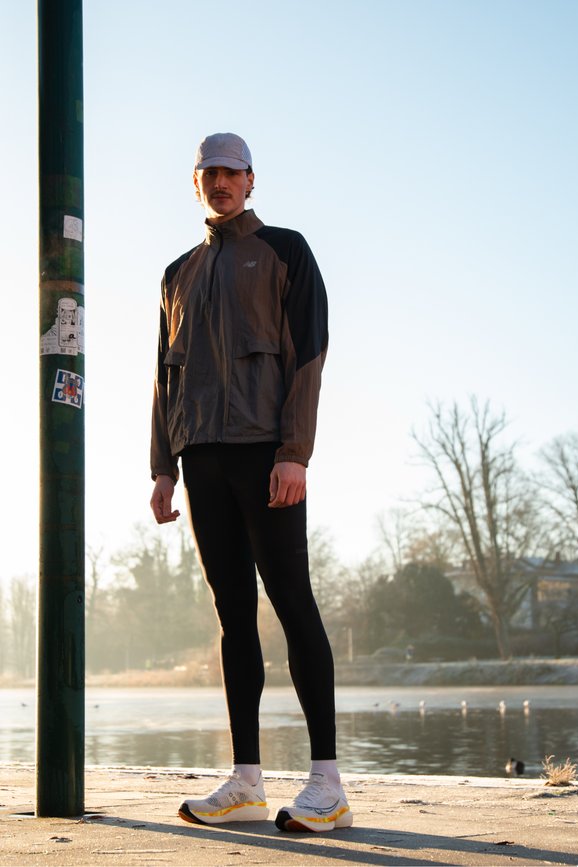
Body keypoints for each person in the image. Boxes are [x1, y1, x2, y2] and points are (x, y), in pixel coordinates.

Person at [150, 132, 352, 833]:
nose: (221, 182)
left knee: (292, 600)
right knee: (233, 615)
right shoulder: (177, 273)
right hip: (200, 458)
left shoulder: (285, 250)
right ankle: (246, 781)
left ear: (251, 179)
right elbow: (163, 376)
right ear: (196, 182)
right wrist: (162, 467)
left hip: (267, 454)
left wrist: (294, 452)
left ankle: (328, 784)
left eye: (232, 172)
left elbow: (309, 354)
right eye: (209, 172)